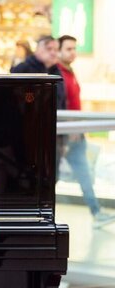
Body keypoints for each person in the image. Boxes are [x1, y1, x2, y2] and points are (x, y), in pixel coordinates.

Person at [56, 35, 115, 227]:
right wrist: (69, 131)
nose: (73, 52)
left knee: (84, 173)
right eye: (69, 49)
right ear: (59, 50)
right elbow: (62, 106)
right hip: (65, 133)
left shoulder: (70, 72)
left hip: (75, 132)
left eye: (75, 48)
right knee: (55, 176)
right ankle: (43, 212)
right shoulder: (58, 74)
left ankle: (96, 212)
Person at [10, 35, 65, 109]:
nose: (53, 53)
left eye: (56, 50)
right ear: (37, 49)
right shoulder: (23, 69)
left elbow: (62, 100)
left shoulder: (57, 72)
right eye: (49, 49)